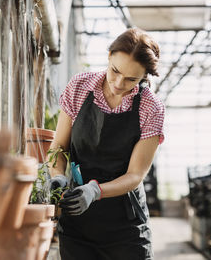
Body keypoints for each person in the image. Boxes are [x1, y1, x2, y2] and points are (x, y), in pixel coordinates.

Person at [48, 27, 165, 260]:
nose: (119, 83)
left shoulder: (151, 108)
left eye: (131, 79)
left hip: (126, 227)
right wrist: (58, 175)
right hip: (77, 220)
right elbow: (59, 146)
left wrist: (95, 190)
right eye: (115, 71)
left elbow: (135, 175)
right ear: (109, 55)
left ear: (144, 76)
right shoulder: (79, 87)